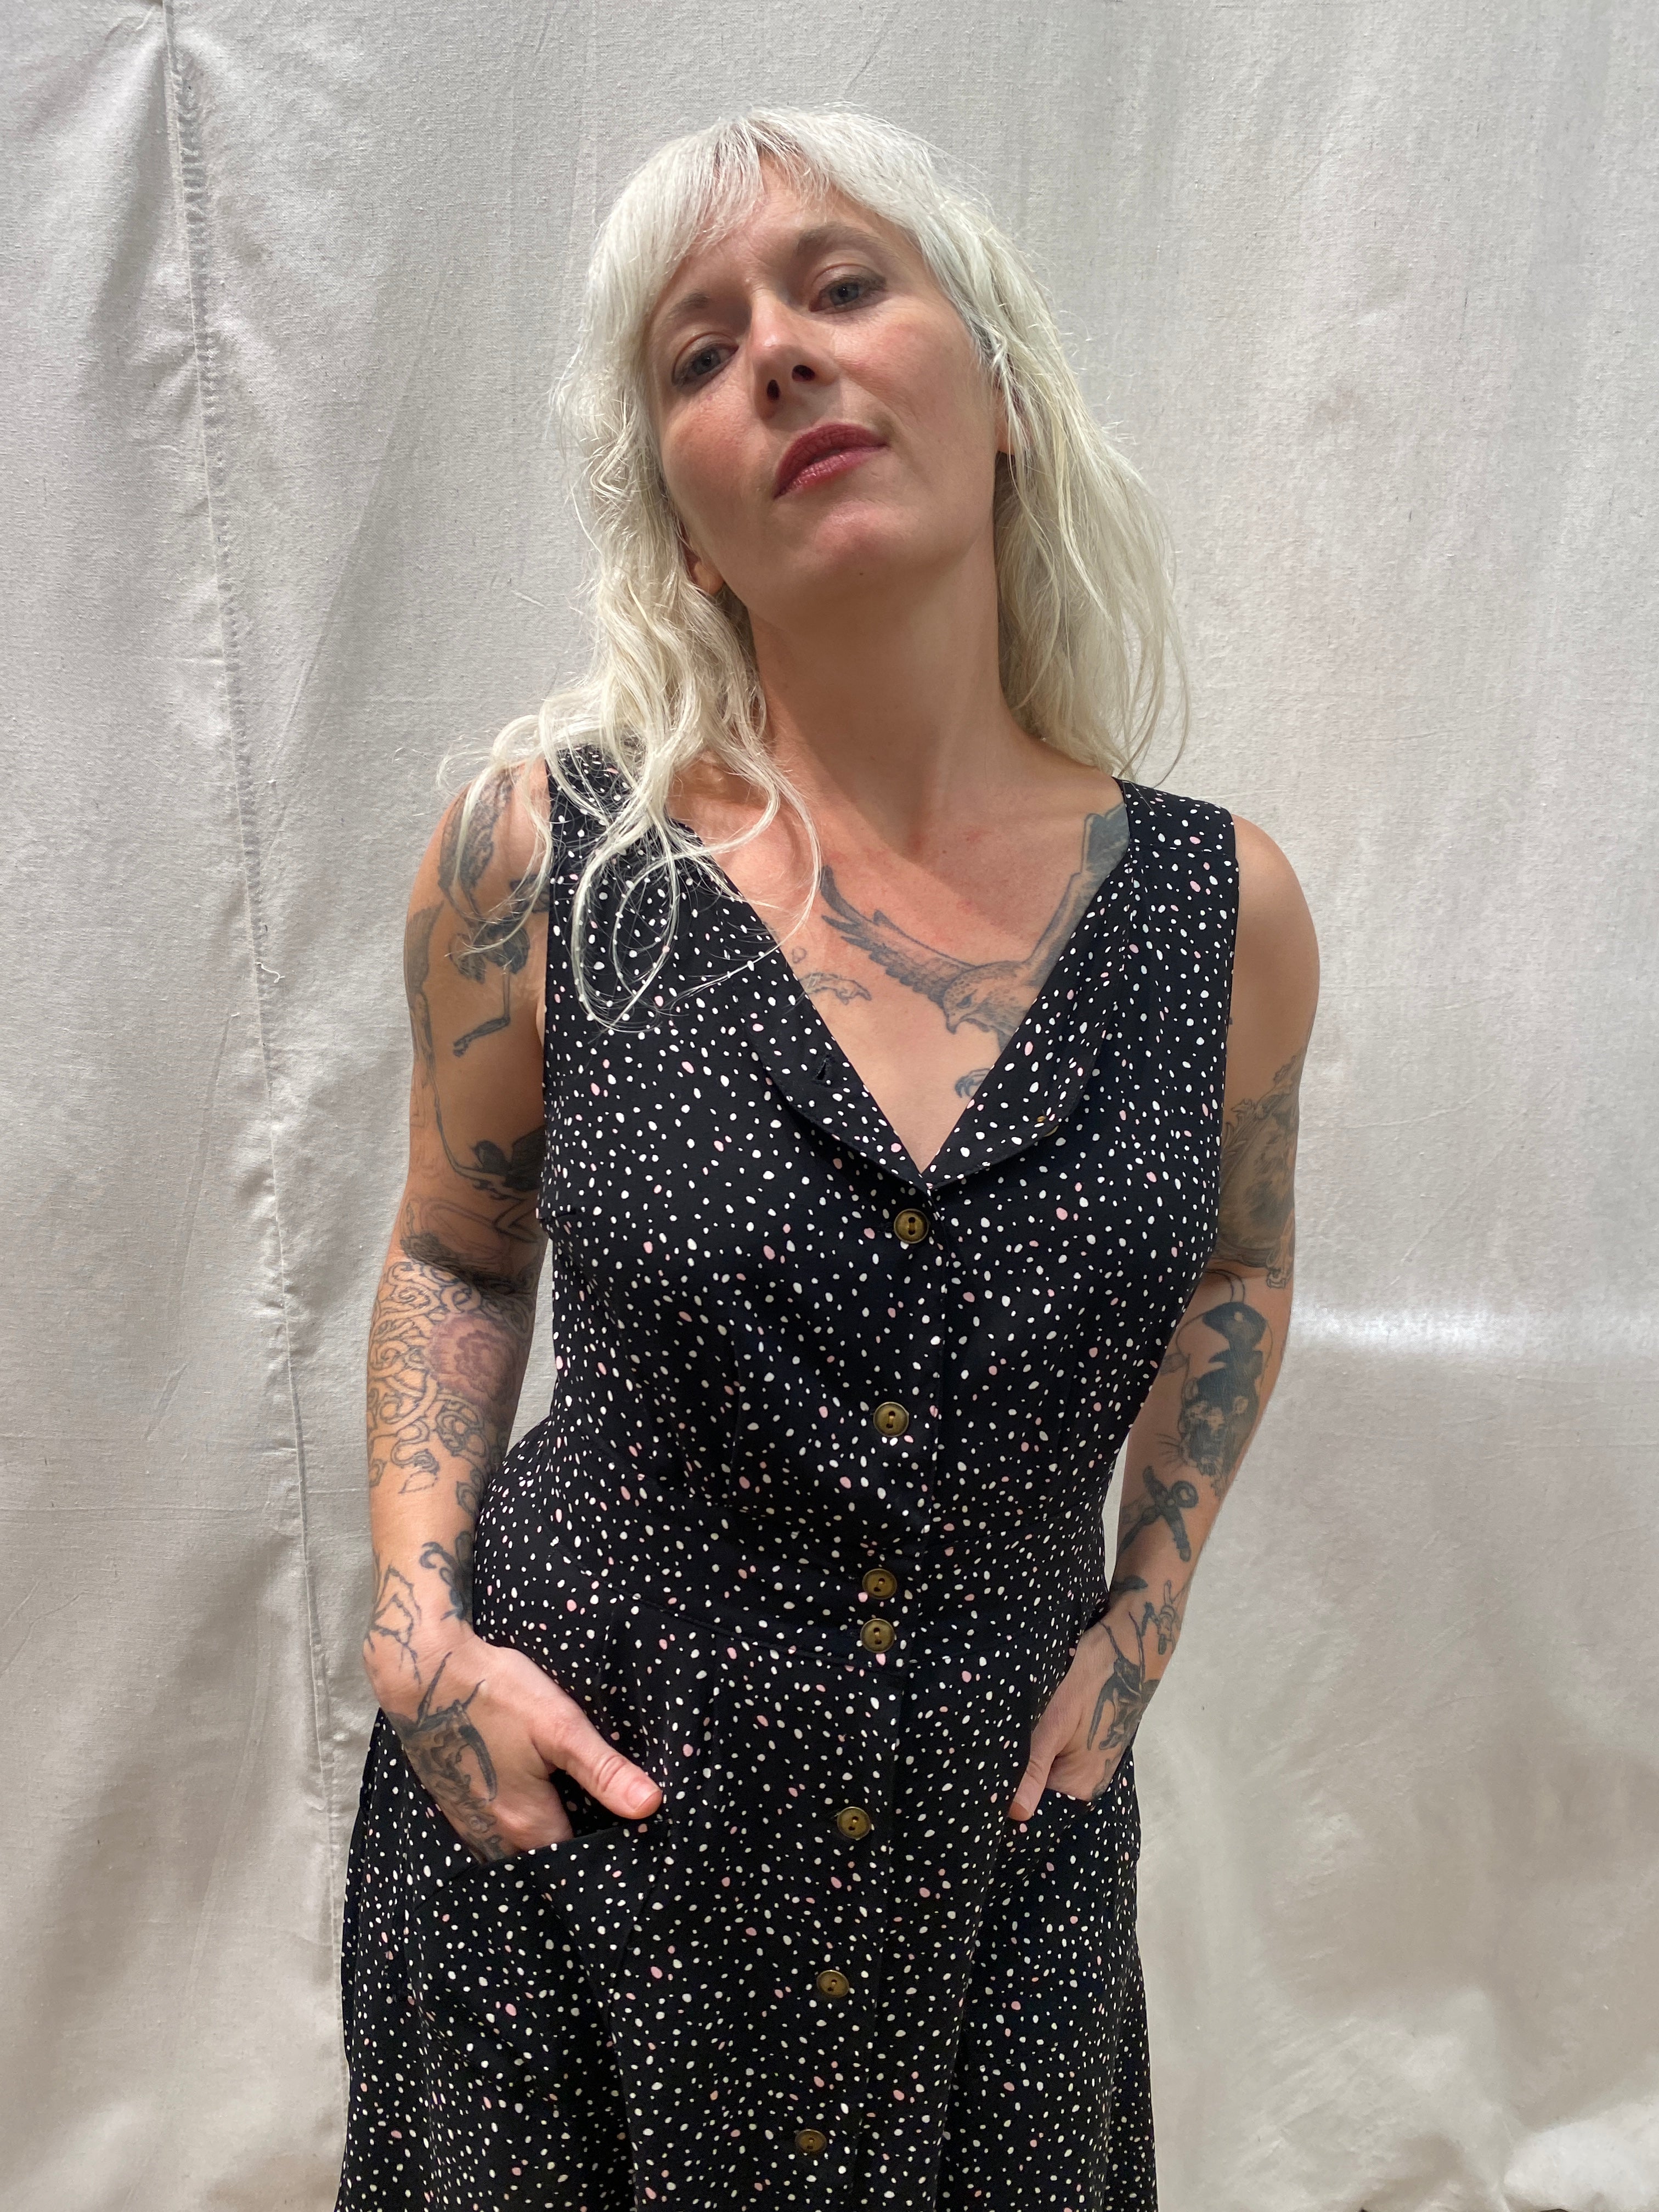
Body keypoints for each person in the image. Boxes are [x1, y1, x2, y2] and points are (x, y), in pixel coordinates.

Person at [335, 107, 1318, 2212]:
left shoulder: (1219, 914)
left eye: (844, 286)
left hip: (995, 1876)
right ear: (687, 529)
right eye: (698, 352)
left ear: (1005, 397)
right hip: (578, 1834)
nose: (778, 351)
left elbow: (1240, 1262)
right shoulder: (544, 863)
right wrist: (417, 1622)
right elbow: (457, 1249)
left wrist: (1143, 1622)